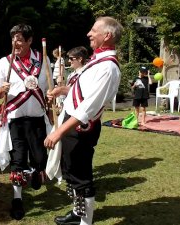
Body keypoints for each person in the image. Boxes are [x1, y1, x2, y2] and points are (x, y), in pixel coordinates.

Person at [45, 16, 123, 225]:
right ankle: (77, 213)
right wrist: (64, 90)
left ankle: (86, 222)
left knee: (81, 175)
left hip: (81, 127)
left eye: (93, 30)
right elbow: (84, 92)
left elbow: (88, 107)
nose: (89, 33)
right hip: (72, 122)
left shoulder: (108, 67)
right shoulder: (97, 61)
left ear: (107, 35)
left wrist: (58, 131)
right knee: (71, 171)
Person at [0, 24, 52, 220]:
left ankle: (35, 172)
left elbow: (47, 89)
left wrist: (51, 97)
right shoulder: (4, 62)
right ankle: (17, 199)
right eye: (13, 39)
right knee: (17, 160)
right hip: (15, 120)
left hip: (37, 119)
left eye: (19, 39)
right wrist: (2, 90)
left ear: (29, 40)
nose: (15, 43)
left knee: (40, 158)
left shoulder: (43, 60)